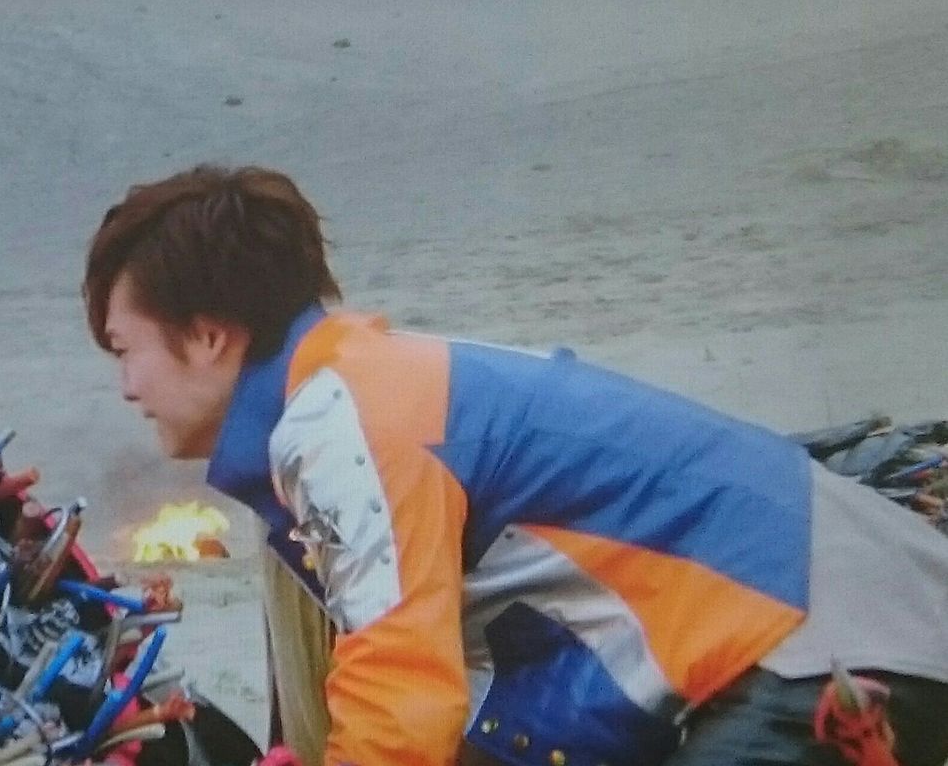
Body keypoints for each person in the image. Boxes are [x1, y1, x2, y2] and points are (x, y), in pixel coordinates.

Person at [82, 164, 948, 766]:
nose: (126, 387)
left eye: (125, 349)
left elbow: (400, 698)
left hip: (821, 642)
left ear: (208, 334)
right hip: (835, 622)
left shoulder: (344, 418)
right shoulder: (371, 384)